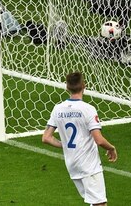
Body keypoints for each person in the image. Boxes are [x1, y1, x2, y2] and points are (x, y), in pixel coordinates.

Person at [42, 72, 117, 206]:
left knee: (94, 202)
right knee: (100, 203)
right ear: (84, 86)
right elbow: (98, 140)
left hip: (72, 164)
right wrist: (111, 148)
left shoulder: (57, 109)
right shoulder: (88, 109)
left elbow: (46, 138)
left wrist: (64, 144)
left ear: (67, 87)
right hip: (89, 165)